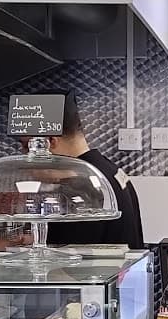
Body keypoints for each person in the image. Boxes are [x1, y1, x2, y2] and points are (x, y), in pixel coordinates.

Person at [37, 93, 145, 249]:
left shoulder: (80, 185)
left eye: (27, 146)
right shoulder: (108, 170)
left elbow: (68, 264)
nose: (27, 155)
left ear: (51, 142)